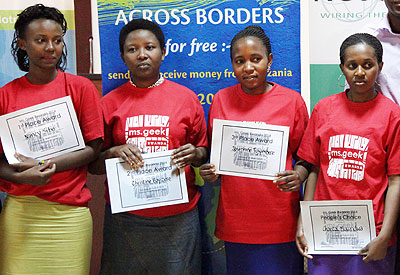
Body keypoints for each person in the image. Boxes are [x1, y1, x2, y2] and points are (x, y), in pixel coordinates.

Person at [89, 19, 208, 274]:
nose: (142, 54)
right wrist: (113, 152)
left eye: (150, 47)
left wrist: (195, 153)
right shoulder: (109, 103)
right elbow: (94, 165)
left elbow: (203, 153)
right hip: (126, 219)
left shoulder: (186, 99)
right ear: (123, 56)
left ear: (163, 52)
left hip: (179, 215)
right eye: (132, 49)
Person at [0, 4, 103, 274]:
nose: (50, 48)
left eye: (57, 40)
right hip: (21, 211)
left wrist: (48, 162)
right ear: (22, 44)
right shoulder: (5, 96)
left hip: (70, 212)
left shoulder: (81, 88)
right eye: (41, 40)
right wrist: (22, 177)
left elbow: (93, 148)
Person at [199, 25, 310, 274]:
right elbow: (213, 156)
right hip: (237, 221)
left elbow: (306, 157)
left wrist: (299, 175)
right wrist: (210, 171)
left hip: (281, 219)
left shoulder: (292, 101)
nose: (248, 67)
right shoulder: (221, 100)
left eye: (256, 59)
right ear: (232, 64)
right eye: (240, 61)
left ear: (269, 60)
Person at [296, 33, 400, 275]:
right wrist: (304, 222)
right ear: (342, 68)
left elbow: (396, 180)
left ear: (380, 67)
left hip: (370, 234)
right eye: (352, 66)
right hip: (324, 231)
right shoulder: (323, 109)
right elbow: (314, 169)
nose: (360, 72)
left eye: (368, 65)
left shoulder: (392, 115)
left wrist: (384, 237)